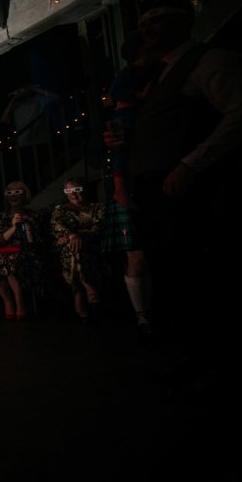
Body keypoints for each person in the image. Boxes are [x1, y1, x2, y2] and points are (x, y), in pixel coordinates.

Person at [121, 0, 242, 339]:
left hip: (190, 186)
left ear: (183, 22)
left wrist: (191, 163)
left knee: (199, 268)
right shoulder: (162, 71)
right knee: (172, 268)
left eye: (157, 20)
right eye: (143, 24)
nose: (147, 29)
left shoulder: (207, 59)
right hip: (158, 186)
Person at [102, 30, 156, 336]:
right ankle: (142, 316)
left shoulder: (157, 73)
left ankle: (147, 314)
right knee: (136, 254)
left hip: (147, 171)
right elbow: (116, 94)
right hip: (132, 177)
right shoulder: (131, 75)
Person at [50, 178, 106, 322]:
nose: (73, 194)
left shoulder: (97, 208)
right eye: (69, 190)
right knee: (73, 248)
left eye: (77, 190)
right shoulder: (60, 209)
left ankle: (78, 293)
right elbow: (56, 226)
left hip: (92, 245)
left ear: (85, 190)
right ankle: (90, 289)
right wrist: (71, 236)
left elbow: (98, 229)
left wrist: (75, 236)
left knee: (75, 248)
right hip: (67, 247)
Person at [0, 181, 42, 320]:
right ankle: (8, 301)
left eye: (17, 192)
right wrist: (13, 227)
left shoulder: (33, 215)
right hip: (5, 251)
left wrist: (26, 225)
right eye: (9, 193)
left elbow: (32, 242)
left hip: (26, 252)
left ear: (24, 195)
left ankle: (20, 302)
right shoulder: (2, 216)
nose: (13, 196)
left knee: (11, 262)